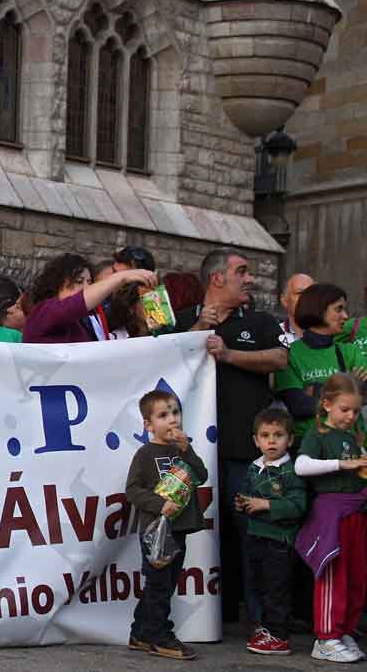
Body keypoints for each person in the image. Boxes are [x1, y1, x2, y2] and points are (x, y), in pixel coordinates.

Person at [174, 247, 288, 626]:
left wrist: (229, 355)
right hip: (193, 454)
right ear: (217, 279)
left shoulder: (259, 321)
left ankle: (262, 623)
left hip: (244, 452)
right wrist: (194, 333)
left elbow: (279, 359)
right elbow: (159, 361)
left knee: (251, 535)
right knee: (195, 533)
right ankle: (198, 618)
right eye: (242, 271)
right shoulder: (184, 320)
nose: (249, 279)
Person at [125, 389, 208, 661]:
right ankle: (160, 635)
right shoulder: (145, 454)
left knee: (164, 584)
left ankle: (140, 633)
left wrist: (187, 449)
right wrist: (160, 505)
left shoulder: (181, 449)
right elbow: (133, 490)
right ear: (148, 425)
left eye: (175, 412)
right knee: (159, 585)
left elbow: (201, 474)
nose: (172, 419)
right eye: (163, 415)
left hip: (179, 528)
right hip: (156, 532)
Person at [293, 373, 367, 663]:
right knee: (333, 575)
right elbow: (301, 466)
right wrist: (342, 464)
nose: (350, 416)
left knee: (357, 576)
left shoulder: (352, 435)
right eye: (344, 409)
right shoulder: (317, 434)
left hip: (356, 513)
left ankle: (345, 630)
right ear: (326, 404)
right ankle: (325, 636)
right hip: (331, 513)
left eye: (356, 411)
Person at [235, 408, 305, 656]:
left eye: (278, 435)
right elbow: (245, 493)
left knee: (277, 589)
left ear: (290, 440)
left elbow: (298, 506)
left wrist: (265, 504)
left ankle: (279, 636)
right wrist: (242, 503)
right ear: (256, 440)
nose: (271, 441)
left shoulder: (291, 471)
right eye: (265, 435)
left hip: (279, 541)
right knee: (260, 586)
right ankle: (267, 629)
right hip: (256, 536)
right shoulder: (254, 468)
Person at [275, 283, 367, 439]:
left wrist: (317, 390)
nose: (345, 316)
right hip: (309, 447)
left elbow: (363, 395)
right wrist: (349, 386)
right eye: (338, 309)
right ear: (318, 309)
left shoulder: (350, 351)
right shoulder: (289, 354)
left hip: (349, 444)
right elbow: (298, 407)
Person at [22, 253, 156, 344]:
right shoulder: (43, 312)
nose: (86, 287)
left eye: (89, 282)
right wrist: (120, 277)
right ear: (56, 283)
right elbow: (73, 305)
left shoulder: (88, 320)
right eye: (79, 281)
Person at [278, 273, 315, 348]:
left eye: (311, 293)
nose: (306, 298)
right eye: (299, 293)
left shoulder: (329, 334)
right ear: (284, 301)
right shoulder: (274, 333)